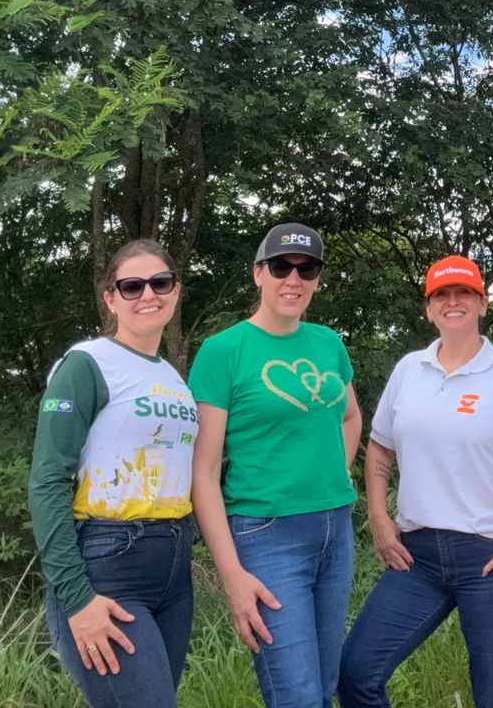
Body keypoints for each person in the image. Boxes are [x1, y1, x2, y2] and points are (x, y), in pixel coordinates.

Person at [340, 255, 493, 708]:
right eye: (442, 294)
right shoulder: (409, 370)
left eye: (464, 293)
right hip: (416, 557)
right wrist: (379, 517)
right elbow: (380, 446)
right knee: (356, 674)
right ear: (428, 308)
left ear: (482, 303)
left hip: (490, 557)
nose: (453, 301)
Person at [189, 222, 362, 708]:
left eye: (307, 269)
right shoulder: (223, 352)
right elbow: (203, 473)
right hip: (266, 536)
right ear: (257, 275)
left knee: (325, 687)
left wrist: (336, 470)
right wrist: (230, 575)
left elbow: (350, 417)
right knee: (296, 697)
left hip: (335, 527)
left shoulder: (328, 343)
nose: (294, 278)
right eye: (281, 267)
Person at [29, 239, 197, 708]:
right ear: (110, 299)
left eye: (160, 282)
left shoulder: (172, 377)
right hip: (109, 563)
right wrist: (77, 599)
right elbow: (47, 482)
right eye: (132, 286)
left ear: (176, 291)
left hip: (173, 565)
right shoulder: (87, 363)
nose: (148, 294)